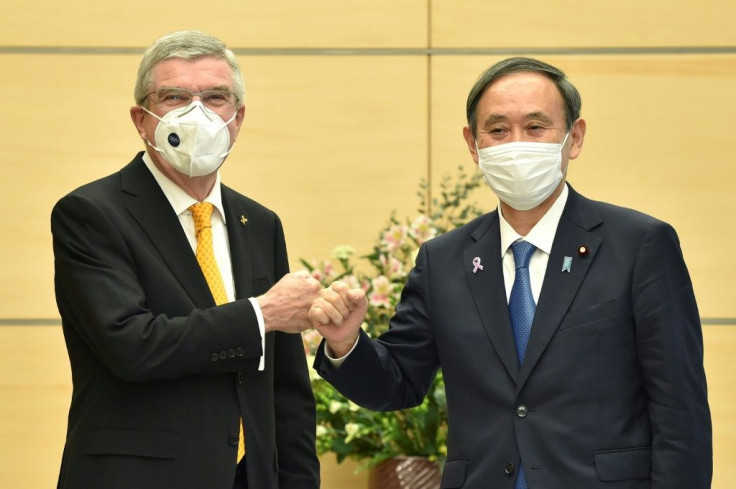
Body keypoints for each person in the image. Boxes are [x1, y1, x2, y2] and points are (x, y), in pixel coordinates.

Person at [309, 57, 712, 488]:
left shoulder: (639, 245)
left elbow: (679, 410)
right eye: (498, 130)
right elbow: (398, 384)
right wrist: (347, 342)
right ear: (473, 144)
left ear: (573, 138)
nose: (516, 143)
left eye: (536, 128)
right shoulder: (443, 260)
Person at [51, 30, 320, 489]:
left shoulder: (260, 222)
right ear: (142, 118)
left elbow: (286, 387)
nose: (197, 113)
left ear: (237, 118)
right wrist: (260, 314)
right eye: (174, 96)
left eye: (216, 97)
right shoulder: (92, 214)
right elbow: (131, 345)